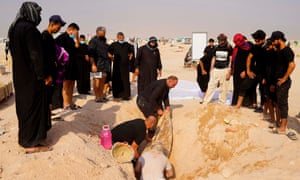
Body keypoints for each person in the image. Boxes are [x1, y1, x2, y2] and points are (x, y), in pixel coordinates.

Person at [8, 1, 52, 153]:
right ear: (31, 12)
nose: (39, 16)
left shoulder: (14, 28)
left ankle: (25, 139)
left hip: (20, 76)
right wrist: (44, 75)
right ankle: (31, 143)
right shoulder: (30, 29)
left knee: (25, 107)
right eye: (38, 13)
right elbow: (35, 56)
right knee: (33, 107)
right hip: (32, 77)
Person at [270, 31, 295, 134]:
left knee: (283, 104)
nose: (272, 42)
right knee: (279, 103)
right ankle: (281, 124)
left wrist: (284, 78)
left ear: (278, 39)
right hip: (277, 82)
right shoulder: (280, 51)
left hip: (283, 82)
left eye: (273, 40)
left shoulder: (286, 51)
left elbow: (292, 65)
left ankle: (283, 127)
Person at [234, 30, 267, 109]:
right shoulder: (255, 47)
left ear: (263, 39)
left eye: (258, 40)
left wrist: (266, 77)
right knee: (244, 86)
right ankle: (238, 105)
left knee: (263, 90)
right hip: (255, 71)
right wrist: (248, 70)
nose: (256, 41)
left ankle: (263, 108)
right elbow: (249, 57)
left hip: (265, 73)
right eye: (255, 40)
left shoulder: (267, 48)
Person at [41, 15, 66, 119]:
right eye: (58, 26)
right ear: (52, 24)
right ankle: (46, 115)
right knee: (46, 94)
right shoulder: (44, 36)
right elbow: (43, 57)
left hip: (52, 70)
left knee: (50, 94)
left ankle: (49, 113)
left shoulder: (50, 36)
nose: (59, 29)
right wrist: (46, 75)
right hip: (48, 72)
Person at [56, 23, 81, 110]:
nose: (75, 34)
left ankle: (70, 102)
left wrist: (77, 37)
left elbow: (77, 47)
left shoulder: (72, 39)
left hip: (73, 64)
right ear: (71, 29)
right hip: (66, 65)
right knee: (66, 84)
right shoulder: (62, 38)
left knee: (71, 84)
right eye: (75, 32)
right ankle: (65, 103)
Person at [202, 34, 233, 104]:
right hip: (216, 69)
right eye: (219, 40)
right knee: (211, 86)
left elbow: (231, 59)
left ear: (225, 40)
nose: (220, 41)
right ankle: (206, 101)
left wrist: (230, 71)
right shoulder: (216, 48)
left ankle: (221, 102)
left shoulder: (229, 48)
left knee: (224, 87)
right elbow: (214, 58)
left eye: (222, 40)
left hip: (225, 69)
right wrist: (211, 69)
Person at [108, 32, 134, 101]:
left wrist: (130, 56)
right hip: (117, 66)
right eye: (119, 37)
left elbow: (131, 51)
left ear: (124, 37)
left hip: (125, 66)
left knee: (125, 80)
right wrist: (111, 57)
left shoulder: (127, 44)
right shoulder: (114, 45)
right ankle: (116, 96)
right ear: (117, 37)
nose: (121, 38)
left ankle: (126, 96)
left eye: (122, 37)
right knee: (116, 80)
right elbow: (108, 52)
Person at [88, 27, 110, 103]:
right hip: (96, 64)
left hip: (105, 65)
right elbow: (91, 54)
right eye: (102, 31)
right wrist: (93, 65)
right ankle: (97, 97)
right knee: (96, 81)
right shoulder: (93, 41)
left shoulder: (104, 42)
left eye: (104, 31)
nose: (104, 32)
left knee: (102, 81)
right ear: (97, 32)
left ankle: (101, 96)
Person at [230, 34, 251, 106]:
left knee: (243, 87)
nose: (235, 43)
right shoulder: (236, 47)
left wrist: (245, 71)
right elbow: (233, 60)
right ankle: (235, 103)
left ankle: (244, 103)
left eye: (237, 41)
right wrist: (231, 69)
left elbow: (250, 61)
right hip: (236, 71)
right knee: (236, 87)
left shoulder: (248, 48)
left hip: (244, 71)